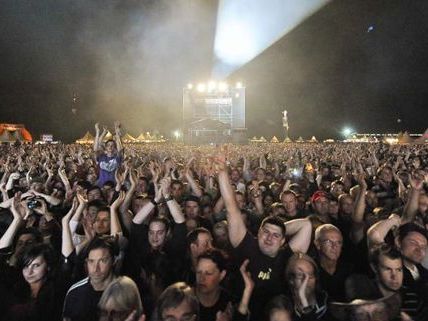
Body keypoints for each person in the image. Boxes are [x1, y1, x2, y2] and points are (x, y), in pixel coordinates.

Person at [215, 153, 312, 320]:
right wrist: (222, 172)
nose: (269, 238)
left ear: (283, 241)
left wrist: (279, 228)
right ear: (258, 233)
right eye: (265, 232)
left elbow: (306, 225)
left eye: (275, 236)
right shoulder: (246, 245)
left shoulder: (286, 255)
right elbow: (231, 208)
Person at [63, 236, 118, 321]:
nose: (96, 268)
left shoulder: (126, 291)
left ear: (113, 261)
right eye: (91, 261)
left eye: (103, 261)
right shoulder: (74, 293)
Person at [285, 253, 329, 321]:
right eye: (300, 275)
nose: (306, 280)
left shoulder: (327, 302)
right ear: (291, 280)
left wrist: (304, 302)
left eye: (310, 275)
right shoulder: (284, 307)